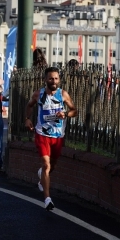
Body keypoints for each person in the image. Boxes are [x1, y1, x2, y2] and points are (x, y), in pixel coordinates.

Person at [24, 66, 77, 211]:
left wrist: (65, 114)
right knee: (46, 165)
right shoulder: (38, 94)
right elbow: (29, 105)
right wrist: (27, 119)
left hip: (58, 135)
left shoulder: (63, 94)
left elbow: (74, 110)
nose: (54, 81)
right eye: (51, 78)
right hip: (42, 134)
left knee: (52, 166)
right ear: (45, 80)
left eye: (56, 78)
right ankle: (47, 199)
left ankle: (42, 175)